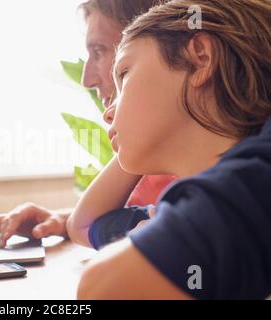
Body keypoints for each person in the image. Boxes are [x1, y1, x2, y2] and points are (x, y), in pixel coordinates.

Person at [77, 0, 271, 299]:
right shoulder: (179, 208)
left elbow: (102, 289)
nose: (108, 111)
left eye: (125, 74)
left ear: (200, 58)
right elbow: (85, 225)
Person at [0, 0, 175, 249]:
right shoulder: (150, 159)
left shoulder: (188, 165)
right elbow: (105, 223)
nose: (87, 79)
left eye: (99, 51)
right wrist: (62, 221)